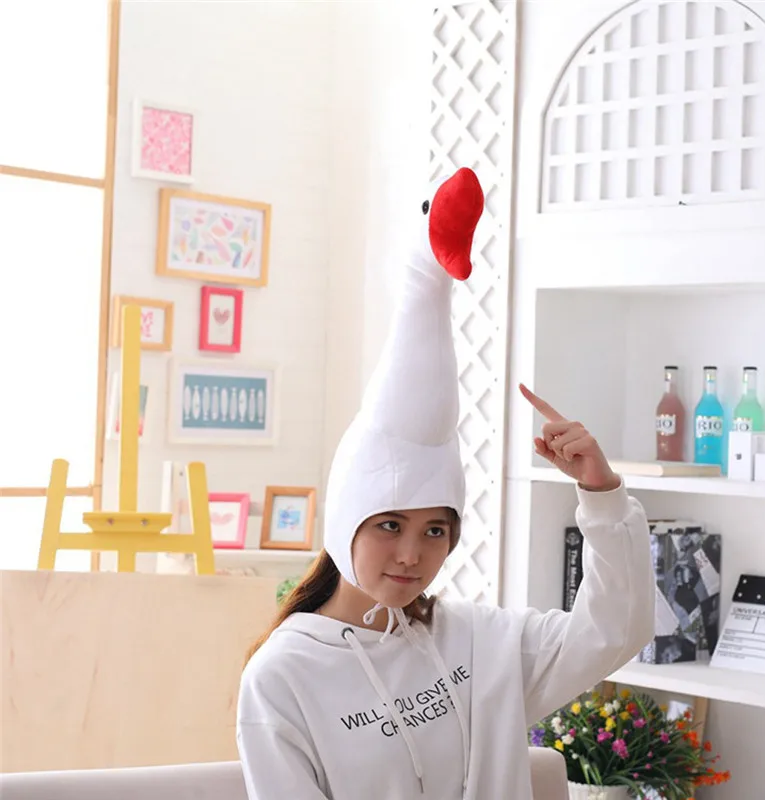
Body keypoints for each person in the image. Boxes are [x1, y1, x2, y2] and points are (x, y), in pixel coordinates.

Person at [236, 167, 656, 800]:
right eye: (390, 525)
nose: (412, 554)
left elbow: (615, 629)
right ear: (346, 521)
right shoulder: (281, 676)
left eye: (436, 530)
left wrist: (601, 494)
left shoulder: (478, 643)